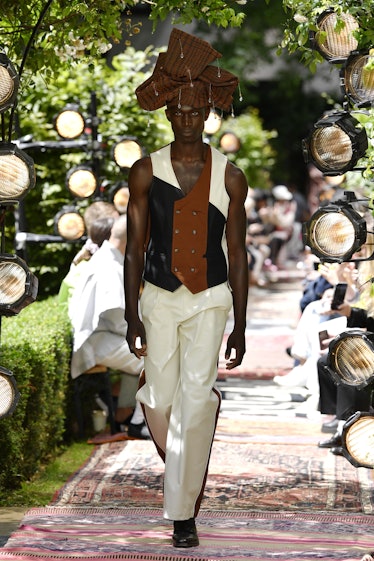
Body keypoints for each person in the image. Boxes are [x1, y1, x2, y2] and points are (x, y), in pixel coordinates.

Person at [124, 28, 248, 548]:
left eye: (199, 111)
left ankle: (182, 515)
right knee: (157, 397)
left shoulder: (232, 176)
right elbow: (134, 247)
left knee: (195, 399)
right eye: (182, 111)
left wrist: (243, 321)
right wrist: (131, 313)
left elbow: (239, 253)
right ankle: (184, 462)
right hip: (157, 297)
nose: (191, 119)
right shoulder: (145, 171)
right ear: (170, 114)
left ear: (208, 114)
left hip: (210, 299)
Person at [70, 214, 149, 438]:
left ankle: (124, 411)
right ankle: (137, 422)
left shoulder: (112, 258)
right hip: (96, 341)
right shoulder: (109, 266)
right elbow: (118, 319)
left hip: (106, 336)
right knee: (157, 359)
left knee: (153, 352)